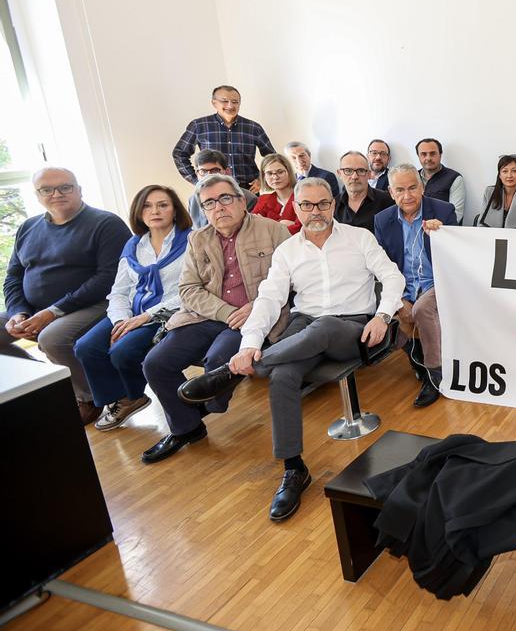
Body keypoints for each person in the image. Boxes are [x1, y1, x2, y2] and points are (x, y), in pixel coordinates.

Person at [178, 178, 405, 521]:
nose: (316, 212)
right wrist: (249, 344)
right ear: (296, 208)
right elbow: (270, 300)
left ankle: (232, 374)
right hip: (304, 326)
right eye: (307, 205)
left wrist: (384, 316)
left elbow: (392, 277)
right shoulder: (288, 251)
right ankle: (294, 468)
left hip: (352, 326)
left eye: (323, 204)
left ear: (334, 204)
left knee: (325, 325)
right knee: (283, 375)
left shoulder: (360, 238)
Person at [139, 174, 291, 465]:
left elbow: (293, 280)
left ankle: (203, 406)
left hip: (254, 317)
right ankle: (188, 427)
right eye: (209, 203)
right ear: (203, 209)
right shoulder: (198, 238)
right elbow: (187, 289)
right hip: (205, 316)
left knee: (218, 361)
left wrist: (256, 306)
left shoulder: (272, 231)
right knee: (155, 363)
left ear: (241, 201)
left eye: (225, 198)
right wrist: (224, 312)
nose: (218, 207)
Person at [2, 167, 131, 423]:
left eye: (65, 187)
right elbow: (13, 277)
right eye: (46, 189)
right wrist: (19, 312)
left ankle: (89, 397)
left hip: (95, 304)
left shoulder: (106, 223)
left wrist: (52, 312)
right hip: (35, 308)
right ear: (37, 195)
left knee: (52, 338)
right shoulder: (28, 227)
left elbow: (107, 279)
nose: (56, 194)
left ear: (79, 190)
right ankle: (46, 383)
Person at [74, 186, 192, 431]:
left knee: (122, 351)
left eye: (163, 205)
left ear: (175, 210)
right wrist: (121, 320)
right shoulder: (133, 245)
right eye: (147, 206)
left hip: (164, 313)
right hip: (130, 311)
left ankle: (132, 395)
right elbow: (119, 290)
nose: (155, 211)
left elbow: (190, 291)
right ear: (138, 212)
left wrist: (144, 318)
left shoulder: (191, 240)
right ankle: (122, 397)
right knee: (85, 347)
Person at [374, 163, 458, 406]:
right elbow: (383, 266)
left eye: (413, 188)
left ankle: (434, 376)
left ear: (422, 187)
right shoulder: (383, 219)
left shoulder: (443, 210)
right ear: (391, 192)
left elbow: (458, 255)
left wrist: (443, 234)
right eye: (400, 190)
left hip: (438, 282)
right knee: (392, 314)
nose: (407, 195)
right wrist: (397, 300)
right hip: (403, 285)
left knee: (421, 310)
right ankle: (417, 359)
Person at [172, 85, 275, 193]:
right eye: (225, 101)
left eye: (235, 102)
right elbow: (179, 153)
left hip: (248, 191)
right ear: (214, 103)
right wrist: (196, 180)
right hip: (212, 190)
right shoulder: (199, 125)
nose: (230, 105)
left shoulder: (253, 127)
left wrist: (262, 180)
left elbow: (272, 157)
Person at [186, 149, 256, 229]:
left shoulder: (249, 198)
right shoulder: (193, 200)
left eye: (215, 170)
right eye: (203, 171)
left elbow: (250, 232)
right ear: (197, 174)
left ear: (227, 172)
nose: (208, 176)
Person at [334, 150, 394, 231]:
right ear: (339, 174)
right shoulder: (333, 205)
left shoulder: (387, 201)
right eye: (348, 171)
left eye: (361, 171)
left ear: (369, 174)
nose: (354, 176)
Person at [475, 154, 516, 229]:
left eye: (514, 171)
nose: (509, 175)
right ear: (499, 175)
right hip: (490, 238)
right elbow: (481, 225)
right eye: (505, 171)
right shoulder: (489, 192)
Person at [416, 138, 466, 223]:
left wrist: (437, 227)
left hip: (442, 230)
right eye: (424, 154)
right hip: (416, 229)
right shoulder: (413, 177)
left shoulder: (454, 178)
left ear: (440, 154)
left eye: (432, 154)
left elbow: (456, 214)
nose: (428, 158)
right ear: (418, 156)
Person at [251, 154, 301, 234]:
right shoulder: (263, 199)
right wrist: (281, 225)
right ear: (264, 177)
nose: (275, 177)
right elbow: (253, 228)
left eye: (280, 172)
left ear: (289, 172)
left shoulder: (303, 197)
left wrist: (267, 224)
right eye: (270, 173)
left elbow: (302, 229)